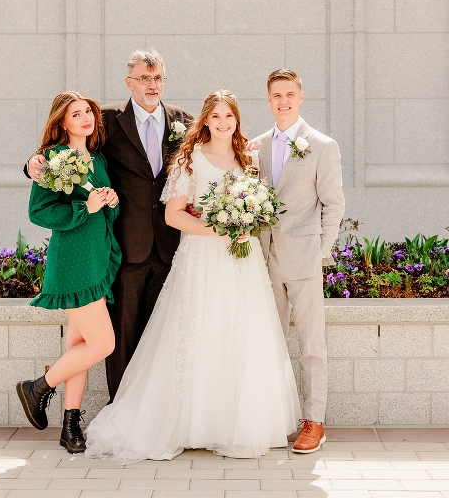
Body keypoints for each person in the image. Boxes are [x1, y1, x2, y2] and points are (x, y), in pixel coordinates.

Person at [83, 90, 300, 464]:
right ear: (205, 121)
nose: (222, 123)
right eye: (215, 117)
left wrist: (247, 224)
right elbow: (173, 216)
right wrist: (220, 230)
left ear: (237, 120)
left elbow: (257, 205)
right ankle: (188, 424)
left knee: (238, 334)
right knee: (198, 333)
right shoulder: (190, 159)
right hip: (202, 259)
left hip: (242, 262)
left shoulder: (248, 159)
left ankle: (230, 424)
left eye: (228, 116)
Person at [25, 49, 193, 402]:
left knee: (162, 337)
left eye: (158, 77)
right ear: (129, 82)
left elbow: (217, 146)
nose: (152, 84)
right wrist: (31, 163)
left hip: (170, 244)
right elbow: (61, 150)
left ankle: (152, 410)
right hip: (122, 246)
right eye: (144, 78)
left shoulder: (184, 121)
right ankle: (120, 410)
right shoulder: (106, 120)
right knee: (118, 340)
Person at [16, 91, 121, 454]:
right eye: (75, 114)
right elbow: (39, 211)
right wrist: (83, 208)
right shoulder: (51, 158)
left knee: (80, 345)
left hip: (97, 255)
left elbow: (104, 208)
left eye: (88, 111)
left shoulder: (98, 158)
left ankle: (70, 425)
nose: (85, 118)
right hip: (74, 259)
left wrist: (110, 201)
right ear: (62, 121)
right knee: (103, 344)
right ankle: (38, 387)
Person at [250, 69, 345, 454]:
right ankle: (273, 419)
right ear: (269, 99)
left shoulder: (322, 145)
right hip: (264, 258)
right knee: (269, 341)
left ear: (301, 97)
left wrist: (321, 250)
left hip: (304, 258)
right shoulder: (256, 146)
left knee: (310, 344)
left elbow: (333, 204)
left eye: (289, 94)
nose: (283, 101)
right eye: (277, 95)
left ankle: (314, 421)